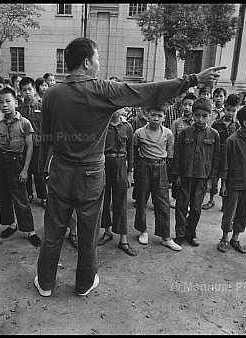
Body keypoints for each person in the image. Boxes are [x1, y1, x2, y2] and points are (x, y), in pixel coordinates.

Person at [34, 37, 225, 297]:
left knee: (54, 229)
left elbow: (45, 137)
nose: (99, 64)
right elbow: (148, 91)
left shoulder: (52, 93)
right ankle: (84, 283)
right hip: (91, 173)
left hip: (60, 171)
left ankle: (45, 283)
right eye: (98, 58)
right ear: (87, 62)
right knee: (89, 231)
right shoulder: (103, 90)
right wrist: (193, 80)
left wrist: (44, 169)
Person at [0, 87, 42, 247]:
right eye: (0, 102)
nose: (4, 105)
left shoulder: (25, 123)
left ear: (16, 103)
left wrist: (25, 169)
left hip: (17, 163)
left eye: (8, 101)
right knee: (3, 198)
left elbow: (30, 147)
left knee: (21, 199)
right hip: (1, 163)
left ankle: (30, 231)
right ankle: (12, 224)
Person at [173, 97, 220, 248]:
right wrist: (177, 175)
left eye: (204, 116)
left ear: (210, 115)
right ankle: (180, 234)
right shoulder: (184, 133)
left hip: (202, 177)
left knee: (196, 208)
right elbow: (177, 155)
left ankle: (190, 233)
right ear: (192, 115)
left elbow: (216, 158)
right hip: (185, 175)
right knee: (181, 206)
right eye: (197, 115)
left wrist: (212, 179)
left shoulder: (214, 135)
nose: (200, 119)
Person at [133, 106, 181, 251]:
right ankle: (143, 231)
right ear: (147, 115)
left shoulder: (168, 133)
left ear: (164, 117)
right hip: (144, 166)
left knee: (162, 203)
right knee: (141, 200)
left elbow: (171, 154)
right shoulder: (139, 132)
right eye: (153, 115)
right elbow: (134, 152)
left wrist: (170, 174)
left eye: (159, 116)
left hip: (161, 167)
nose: (156, 118)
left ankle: (165, 237)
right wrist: (136, 170)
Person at [217, 105, 246, 254]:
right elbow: (224, 165)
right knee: (230, 212)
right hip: (234, 184)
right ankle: (224, 238)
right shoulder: (232, 141)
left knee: (243, 213)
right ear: (245, 123)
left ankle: (235, 238)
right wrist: (223, 184)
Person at [97, 107, 137, 256]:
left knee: (121, 203)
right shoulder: (103, 125)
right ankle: (107, 232)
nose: (114, 110)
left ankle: (123, 240)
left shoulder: (127, 127)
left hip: (121, 163)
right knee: (104, 200)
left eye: (118, 106)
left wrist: (129, 173)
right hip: (104, 164)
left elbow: (131, 151)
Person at [203, 93, 241, 211]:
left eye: (233, 111)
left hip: (230, 157)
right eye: (228, 110)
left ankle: (225, 202)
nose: (230, 113)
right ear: (224, 108)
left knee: (227, 180)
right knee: (213, 178)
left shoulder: (237, 125)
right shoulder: (217, 123)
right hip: (218, 155)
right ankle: (211, 200)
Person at [18, 77, 48, 207]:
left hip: (38, 145)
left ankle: (43, 196)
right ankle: (28, 193)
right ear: (20, 92)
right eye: (24, 90)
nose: (27, 92)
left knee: (39, 172)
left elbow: (46, 125)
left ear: (34, 90)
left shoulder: (41, 106)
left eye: (30, 89)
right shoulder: (19, 109)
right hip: (24, 145)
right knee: (26, 171)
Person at [169, 93, 196, 209]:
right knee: (177, 177)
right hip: (179, 155)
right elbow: (171, 141)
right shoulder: (177, 123)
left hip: (193, 156)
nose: (187, 107)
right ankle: (175, 198)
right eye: (185, 104)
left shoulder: (197, 123)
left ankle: (188, 200)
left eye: (190, 105)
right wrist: (171, 156)